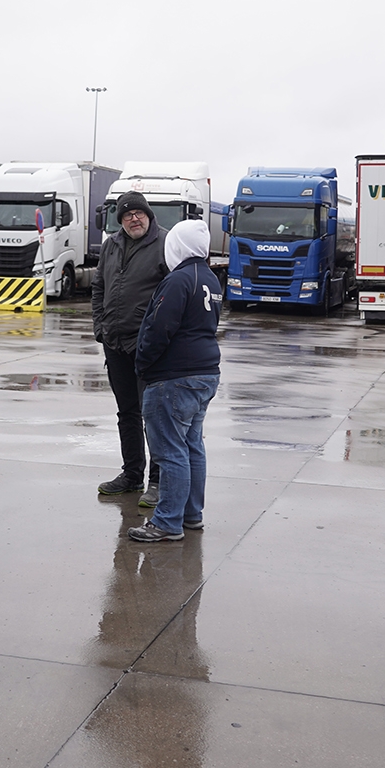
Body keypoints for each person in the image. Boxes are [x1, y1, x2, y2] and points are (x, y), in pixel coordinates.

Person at [129, 219, 221, 543]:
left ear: (177, 246)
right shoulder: (209, 278)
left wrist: (142, 363)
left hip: (174, 377)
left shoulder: (179, 279)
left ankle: (168, 521)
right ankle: (191, 513)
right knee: (192, 445)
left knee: (170, 450)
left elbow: (159, 328)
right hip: (205, 373)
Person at [91, 191, 169, 507]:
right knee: (127, 413)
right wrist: (100, 327)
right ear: (120, 220)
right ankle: (132, 474)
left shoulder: (165, 243)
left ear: (148, 215)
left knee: (155, 416)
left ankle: (158, 481)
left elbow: (172, 294)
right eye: (126, 215)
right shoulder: (111, 245)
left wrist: (157, 338)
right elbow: (99, 287)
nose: (133, 219)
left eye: (138, 213)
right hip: (115, 343)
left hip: (147, 346)